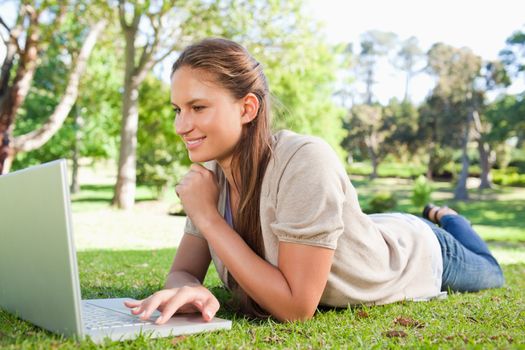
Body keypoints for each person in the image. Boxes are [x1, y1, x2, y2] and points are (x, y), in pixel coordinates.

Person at [124, 38, 504, 323]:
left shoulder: (304, 160)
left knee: (492, 273)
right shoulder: (212, 181)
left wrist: (207, 218)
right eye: (177, 109)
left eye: (198, 107)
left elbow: (296, 307)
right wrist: (189, 287)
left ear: (247, 108)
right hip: (370, 233)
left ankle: (450, 218)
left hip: (421, 252)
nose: (181, 125)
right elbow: (183, 270)